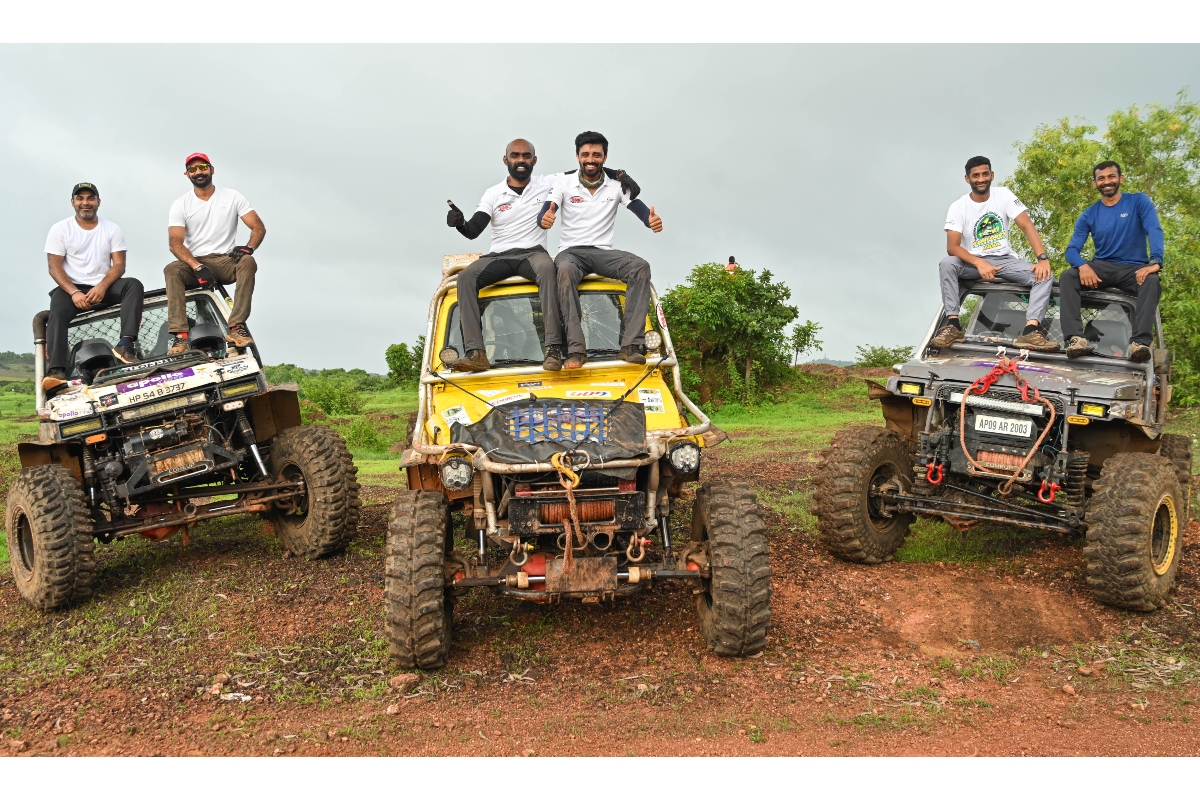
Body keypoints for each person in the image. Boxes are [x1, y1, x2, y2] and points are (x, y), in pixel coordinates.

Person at [445, 138, 638, 373]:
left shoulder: (548, 183)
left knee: (549, 269)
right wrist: (459, 223)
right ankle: (476, 352)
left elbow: (586, 169)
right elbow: (473, 231)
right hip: (498, 255)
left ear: (534, 160)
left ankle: (553, 348)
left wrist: (619, 175)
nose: (521, 160)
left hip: (532, 252)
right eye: (515, 156)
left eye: (526, 156)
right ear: (506, 160)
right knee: (465, 278)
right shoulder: (493, 194)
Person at [540, 131, 662, 369]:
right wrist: (545, 217)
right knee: (563, 271)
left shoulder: (617, 185)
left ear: (605, 158)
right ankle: (575, 351)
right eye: (585, 154)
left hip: (603, 253)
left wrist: (651, 221)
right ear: (577, 156)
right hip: (571, 253)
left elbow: (640, 210)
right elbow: (547, 208)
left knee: (640, 267)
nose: (590, 159)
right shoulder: (563, 183)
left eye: (596, 154)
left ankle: (630, 346)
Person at [930, 156, 1056, 351]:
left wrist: (1042, 259)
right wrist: (979, 263)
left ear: (992, 175)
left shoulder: (1003, 195)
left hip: (1004, 260)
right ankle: (953, 325)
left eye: (985, 174)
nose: (981, 179)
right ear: (967, 179)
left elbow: (1026, 225)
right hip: (972, 263)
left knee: (1044, 275)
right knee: (947, 264)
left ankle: (1031, 330)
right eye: (976, 175)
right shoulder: (958, 206)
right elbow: (953, 247)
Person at [42, 182, 145, 391]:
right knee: (57, 310)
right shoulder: (60, 229)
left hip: (105, 285)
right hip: (72, 288)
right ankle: (56, 371)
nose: (85, 203)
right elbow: (54, 267)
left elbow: (119, 265)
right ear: (73, 202)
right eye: (80, 198)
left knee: (133, 285)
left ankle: (125, 346)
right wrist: (73, 292)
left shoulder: (112, 228)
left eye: (90, 198)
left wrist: (102, 286)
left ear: (98, 202)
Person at [1059, 161, 1164, 362]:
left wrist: (1156, 262)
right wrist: (1082, 266)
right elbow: (1072, 250)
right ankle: (1074, 339)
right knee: (1068, 276)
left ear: (1120, 179)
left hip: (1134, 268)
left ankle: (1139, 344)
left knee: (1152, 280)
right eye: (1102, 178)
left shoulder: (1138, 201)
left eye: (1111, 177)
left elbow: (1154, 229)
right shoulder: (1089, 214)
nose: (1107, 182)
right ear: (1095, 183)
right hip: (1102, 268)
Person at [163, 153, 265, 354]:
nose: (198, 172)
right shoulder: (180, 204)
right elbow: (175, 244)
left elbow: (258, 227)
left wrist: (249, 247)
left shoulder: (233, 196)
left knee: (248, 262)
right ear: (187, 174)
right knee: (171, 270)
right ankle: (180, 337)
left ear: (212, 169)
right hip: (196, 262)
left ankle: (236, 327)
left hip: (226, 260)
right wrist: (197, 267)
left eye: (202, 167)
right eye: (193, 169)